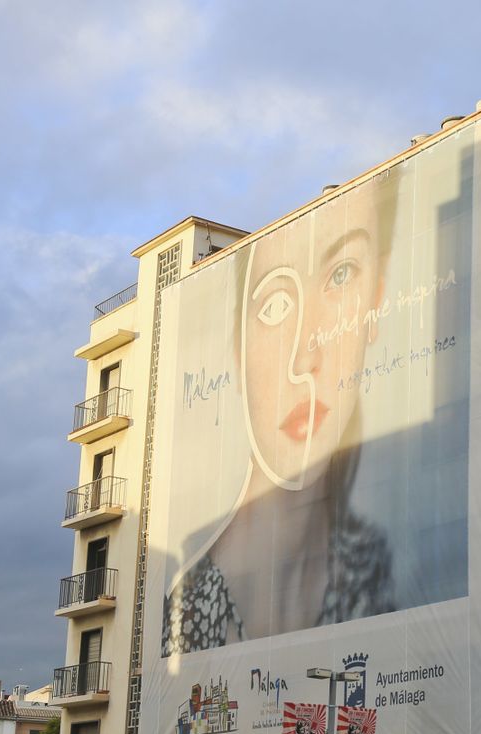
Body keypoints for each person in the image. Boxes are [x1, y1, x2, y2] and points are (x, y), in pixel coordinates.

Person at [161, 173, 402, 656]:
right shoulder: (187, 615)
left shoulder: (374, 564)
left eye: (341, 276)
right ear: (236, 347)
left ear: (375, 304)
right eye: (274, 306)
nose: (303, 358)